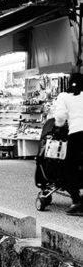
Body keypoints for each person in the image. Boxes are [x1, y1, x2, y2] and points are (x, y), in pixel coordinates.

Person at [54, 72, 83, 215]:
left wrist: (58, 125)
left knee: (70, 167)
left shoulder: (64, 97)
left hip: (76, 134)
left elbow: (60, 117)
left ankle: (77, 201)